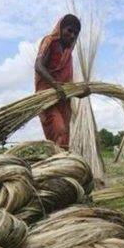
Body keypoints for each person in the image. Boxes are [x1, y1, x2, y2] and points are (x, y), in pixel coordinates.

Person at [34, 14, 82, 150]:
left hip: (63, 100)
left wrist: (81, 92)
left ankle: (61, 166)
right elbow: (38, 66)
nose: (72, 35)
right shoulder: (50, 42)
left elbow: (68, 83)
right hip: (48, 97)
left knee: (65, 136)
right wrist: (56, 86)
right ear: (60, 29)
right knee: (59, 130)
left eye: (76, 33)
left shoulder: (68, 54)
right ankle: (58, 165)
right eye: (69, 30)